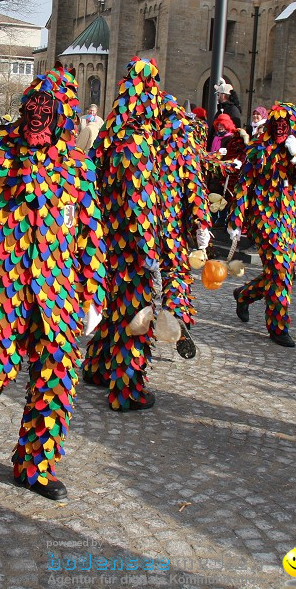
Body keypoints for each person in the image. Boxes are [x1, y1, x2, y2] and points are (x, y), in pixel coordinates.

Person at [0, 67, 105, 501]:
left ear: (62, 118)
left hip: (59, 295)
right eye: (31, 107)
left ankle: (35, 466)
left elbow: (89, 235)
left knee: (55, 380)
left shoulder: (78, 168)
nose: (37, 116)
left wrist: (94, 295)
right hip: (0, 288)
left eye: (47, 110)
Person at [83, 58, 199, 411]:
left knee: (115, 309)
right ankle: (127, 391)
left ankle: (98, 367)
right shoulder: (136, 142)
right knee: (136, 317)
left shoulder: (111, 134)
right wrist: (151, 255)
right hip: (132, 247)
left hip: (111, 242)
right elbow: (140, 205)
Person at [229, 102, 296, 347]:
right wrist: (236, 219)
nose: (281, 129)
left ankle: (245, 294)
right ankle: (278, 326)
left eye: (286, 125)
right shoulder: (258, 150)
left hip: (291, 222)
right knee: (280, 272)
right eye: (277, 124)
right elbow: (244, 185)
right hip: (264, 221)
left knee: (280, 272)